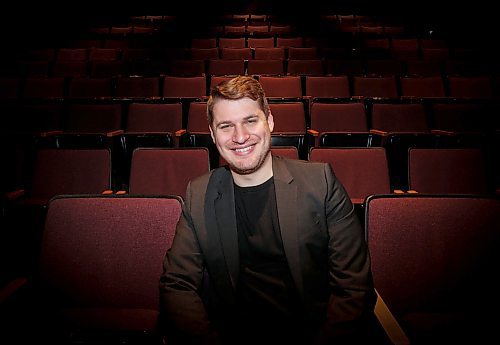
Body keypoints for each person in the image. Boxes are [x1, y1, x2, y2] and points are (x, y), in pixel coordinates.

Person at [159, 76, 376, 345]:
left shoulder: (320, 182)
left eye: (250, 120)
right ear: (214, 135)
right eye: (226, 126)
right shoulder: (198, 193)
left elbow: (353, 285)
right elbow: (177, 284)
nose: (240, 137)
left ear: (270, 121)